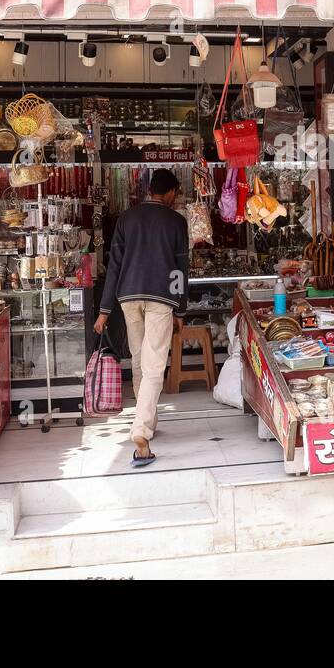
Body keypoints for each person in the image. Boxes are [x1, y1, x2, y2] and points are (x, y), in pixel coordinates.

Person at [94, 169, 190, 469]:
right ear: (171, 192)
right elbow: (179, 270)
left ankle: (145, 418)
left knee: (138, 360)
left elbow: (114, 266)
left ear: (150, 190)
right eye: (176, 193)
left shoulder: (127, 219)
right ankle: (142, 430)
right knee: (154, 366)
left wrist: (105, 309)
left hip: (127, 297)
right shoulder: (176, 222)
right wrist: (181, 308)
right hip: (161, 297)